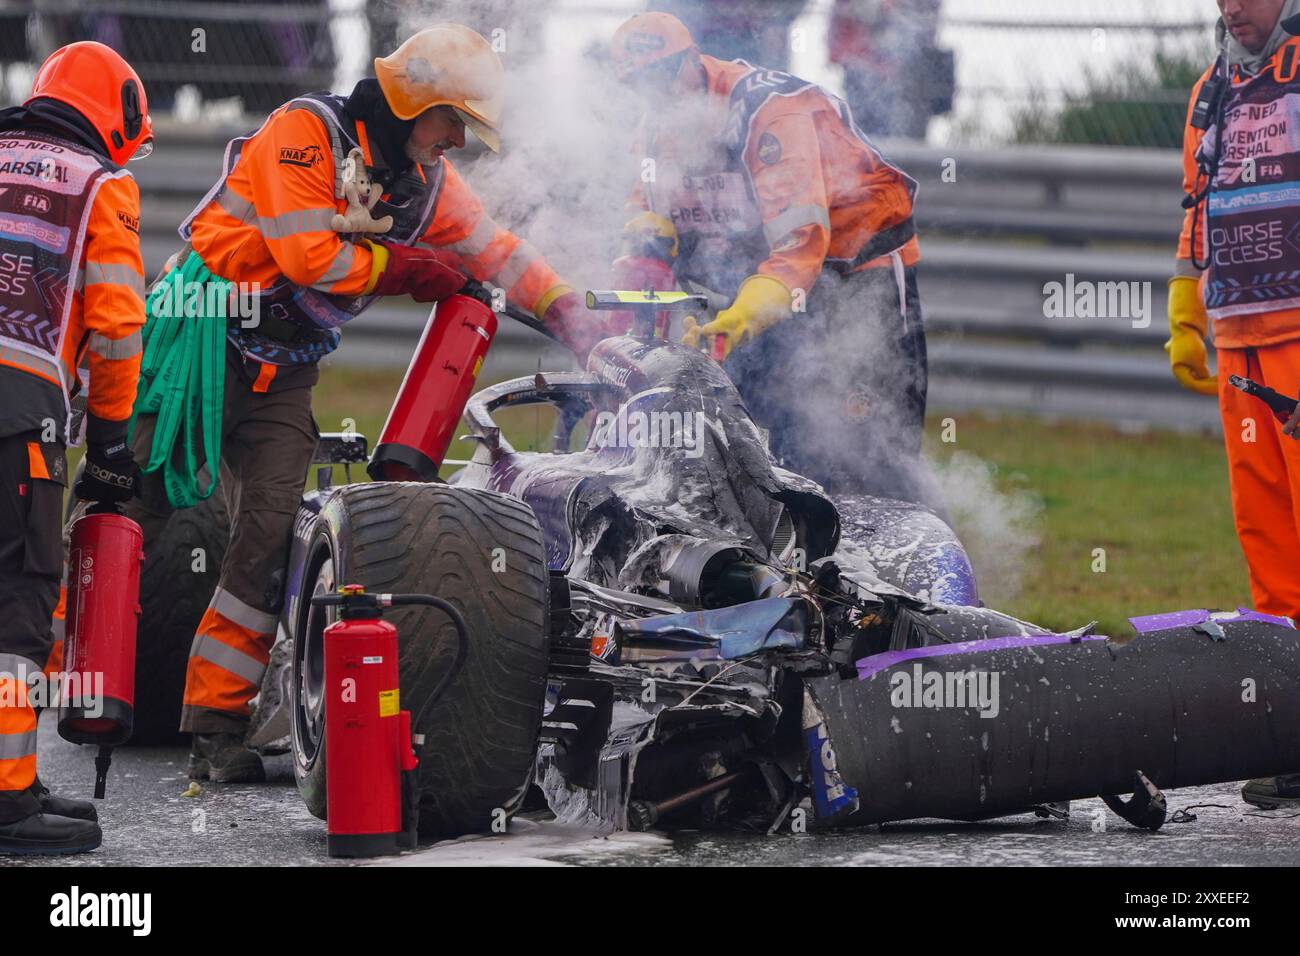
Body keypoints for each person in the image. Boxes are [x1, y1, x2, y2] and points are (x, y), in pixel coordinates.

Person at [120, 23, 600, 783]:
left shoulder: (426, 181)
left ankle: (215, 730)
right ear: (414, 104)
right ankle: (76, 681)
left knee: (269, 539)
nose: (458, 143)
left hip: (287, 371)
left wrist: (573, 315)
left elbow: (497, 250)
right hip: (200, 344)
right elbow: (307, 254)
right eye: (453, 123)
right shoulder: (304, 132)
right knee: (129, 502)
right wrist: (408, 267)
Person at [609, 11, 938, 507]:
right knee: (775, 432)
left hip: (856, 265)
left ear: (693, 61)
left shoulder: (770, 112)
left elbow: (799, 246)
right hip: (766, 282)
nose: (656, 93)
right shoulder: (655, 129)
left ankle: (925, 565)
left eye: (663, 74)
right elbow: (650, 214)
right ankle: (798, 570)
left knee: (871, 440)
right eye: (639, 83)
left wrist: (739, 318)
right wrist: (647, 243)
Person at [0, 41, 152, 853]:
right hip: (16, 414)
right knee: (15, 607)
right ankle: (7, 798)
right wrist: (112, 444)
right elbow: (119, 322)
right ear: (118, 114)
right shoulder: (100, 184)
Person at [1169, 0, 1300, 808]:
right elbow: (1194, 202)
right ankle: (1292, 731)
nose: (1231, 6)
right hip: (1239, 342)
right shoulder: (1210, 90)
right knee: (1267, 542)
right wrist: (1185, 306)